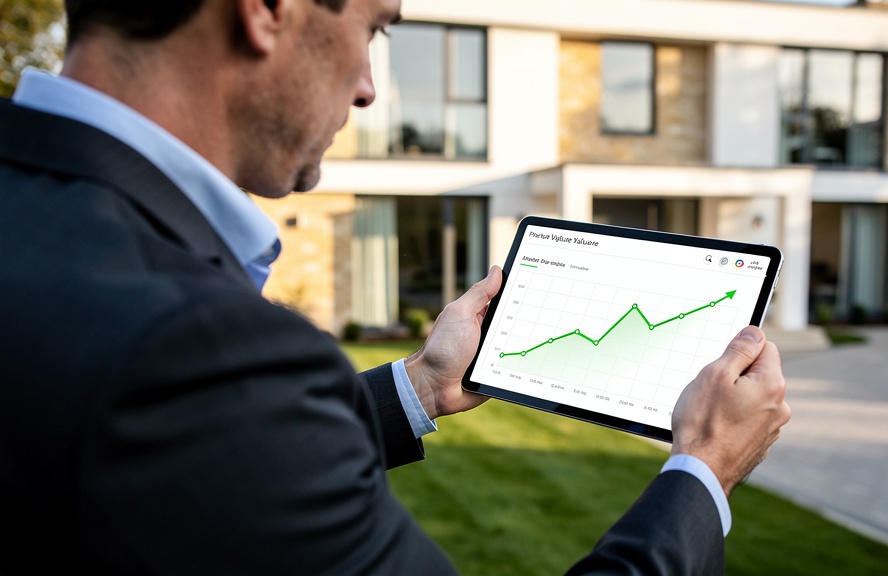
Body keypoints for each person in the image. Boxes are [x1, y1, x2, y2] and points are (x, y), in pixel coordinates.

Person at [0, 0, 791, 573]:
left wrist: (421, 385)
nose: (371, 87)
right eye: (375, 28)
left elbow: (210, 454)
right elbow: (218, 412)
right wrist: (702, 470)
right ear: (267, 10)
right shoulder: (201, 346)